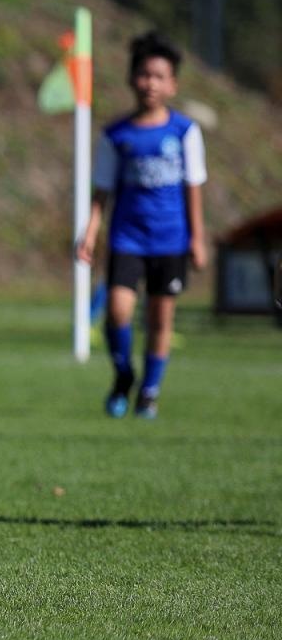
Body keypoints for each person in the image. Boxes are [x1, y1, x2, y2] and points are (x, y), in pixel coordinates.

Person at [77, 31, 207, 419]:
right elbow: (102, 190)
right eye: (144, 74)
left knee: (160, 318)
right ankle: (123, 375)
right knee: (117, 311)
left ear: (172, 84)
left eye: (159, 76)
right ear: (132, 78)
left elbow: (193, 188)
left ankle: (149, 392)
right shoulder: (117, 135)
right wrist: (90, 230)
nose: (150, 83)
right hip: (127, 236)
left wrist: (197, 238)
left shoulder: (184, 132)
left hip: (170, 239)